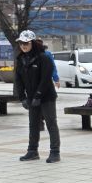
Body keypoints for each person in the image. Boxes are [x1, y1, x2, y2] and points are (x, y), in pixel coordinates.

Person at [14, 30, 60, 163]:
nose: (23, 46)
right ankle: (32, 151)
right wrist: (22, 97)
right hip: (31, 97)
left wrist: (38, 96)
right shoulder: (21, 59)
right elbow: (18, 80)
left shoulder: (43, 58)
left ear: (33, 43)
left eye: (26, 43)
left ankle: (55, 152)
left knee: (51, 123)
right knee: (33, 124)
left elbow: (45, 79)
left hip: (46, 96)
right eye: (21, 43)